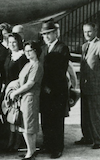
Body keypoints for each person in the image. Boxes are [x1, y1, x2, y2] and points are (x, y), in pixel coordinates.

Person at [74, 23, 100, 149]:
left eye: (89, 31)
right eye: (85, 32)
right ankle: (87, 137)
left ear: (95, 31)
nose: (87, 34)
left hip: (96, 87)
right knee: (85, 114)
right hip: (85, 86)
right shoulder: (85, 46)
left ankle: (97, 140)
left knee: (95, 114)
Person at [39, 20, 69, 159]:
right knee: (46, 119)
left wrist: (50, 87)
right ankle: (47, 144)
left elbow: (60, 71)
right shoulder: (44, 49)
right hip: (44, 90)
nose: (46, 36)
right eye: (44, 34)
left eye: (48, 33)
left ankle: (57, 147)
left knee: (56, 120)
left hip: (57, 91)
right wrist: (43, 86)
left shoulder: (62, 48)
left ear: (55, 33)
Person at [9, 41, 44, 159]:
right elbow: (20, 80)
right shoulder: (28, 64)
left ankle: (30, 152)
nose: (27, 53)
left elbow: (30, 84)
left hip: (30, 97)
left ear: (36, 51)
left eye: (30, 50)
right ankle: (31, 150)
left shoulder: (37, 65)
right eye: (26, 51)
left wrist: (15, 93)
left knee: (28, 125)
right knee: (25, 124)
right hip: (24, 97)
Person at [4, 33, 28, 152]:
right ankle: (11, 139)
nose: (12, 45)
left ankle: (18, 142)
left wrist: (16, 90)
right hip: (8, 90)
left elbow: (22, 76)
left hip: (18, 90)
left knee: (18, 116)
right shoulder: (9, 56)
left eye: (14, 42)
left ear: (19, 42)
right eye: (10, 43)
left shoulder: (23, 57)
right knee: (10, 115)